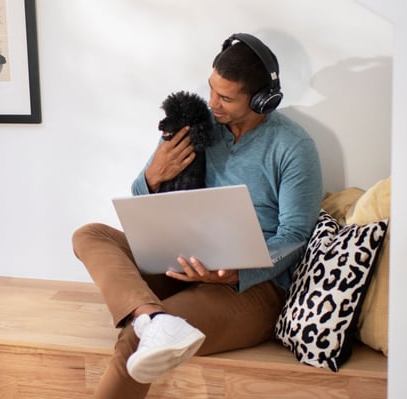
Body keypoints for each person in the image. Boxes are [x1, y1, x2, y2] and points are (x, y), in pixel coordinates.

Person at [72, 32, 323, 398]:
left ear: (261, 100)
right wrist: (151, 176)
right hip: (184, 260)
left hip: (251, 288)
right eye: (211, 90)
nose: (212, 104)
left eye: (225, 98)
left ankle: (148, 326)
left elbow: (296, 237)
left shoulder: (293, 147)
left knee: (132, 340)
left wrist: (240, 271)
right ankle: (152, 319)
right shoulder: (196, 126)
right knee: (90, 234)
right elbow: (143, 201)